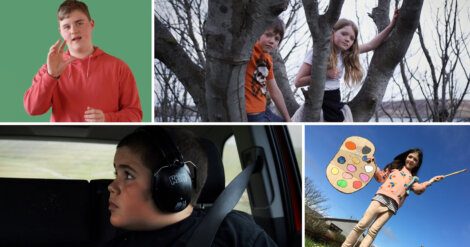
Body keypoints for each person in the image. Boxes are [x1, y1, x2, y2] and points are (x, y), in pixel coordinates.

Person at [106, 127, 278, 247]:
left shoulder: (235, 234)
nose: (111, 187)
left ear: (174, 183)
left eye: (128, 175)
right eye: (116, 174)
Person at [24, 0, 142, 122]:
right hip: (65, 138)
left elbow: (135, 114)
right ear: (60, 31)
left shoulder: (119, 67)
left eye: (79, 23)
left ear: (91, 24)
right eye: (66, 26)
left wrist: (107, 119)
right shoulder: (50, 68)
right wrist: (51, 76)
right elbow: (32, 109)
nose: (73, 30)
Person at [293, 10, 399, 122]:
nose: (348, 39)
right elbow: (298, 82)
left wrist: (391, 25)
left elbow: (371, 45)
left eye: (352, 38)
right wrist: (324, 74)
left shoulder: (345, 53)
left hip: (334, 99)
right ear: (332, 32)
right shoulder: (317, 52)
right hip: (318, 99)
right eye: (344, 34)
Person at [342, 148, 444, 247]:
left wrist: (431, 181)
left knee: (373, 232)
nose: (412, 160)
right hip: (380, 198)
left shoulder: (412, 179)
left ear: (417, 164)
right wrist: (373, 164)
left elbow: (418, 189)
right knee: (362, 225)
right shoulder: (394, 168)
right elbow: (380, 177)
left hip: (392, 207)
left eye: (415, 159)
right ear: (405, 157)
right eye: (410, 157)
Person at [245, 18, 291, 122]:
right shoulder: (249, 50)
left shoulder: (268, 59)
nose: (272, 41)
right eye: (268, 35)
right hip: (252, 115)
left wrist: (288, 119)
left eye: (276, 39)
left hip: (265, 110)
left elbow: (275, 91)